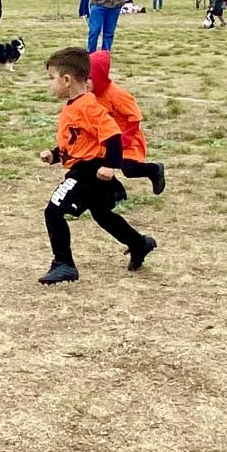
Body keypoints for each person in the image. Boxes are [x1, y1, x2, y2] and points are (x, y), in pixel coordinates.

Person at [37, 46, 158, 285]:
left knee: (53, 211)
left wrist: (110, 165)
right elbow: (79, 141)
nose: (50, 84)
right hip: (85, 167)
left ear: (67, 80)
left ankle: (64, 264)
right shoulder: (75, 105)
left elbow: (112, 135)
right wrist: (55, 155)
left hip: (90, 172)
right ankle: (139, 243)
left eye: (52, 79)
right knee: (102, 214)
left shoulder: (88, 106)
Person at [88, 50, 166, 194]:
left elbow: (135, 117)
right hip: (108, 137)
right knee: (97, 164)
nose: (85, 82)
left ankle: (155, 170)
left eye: (89, 78)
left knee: (129, 169)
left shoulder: (117, 95)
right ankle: (117, 193)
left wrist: (126, 138)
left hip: (127, 137)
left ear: (99, 76)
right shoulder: (90, 95)